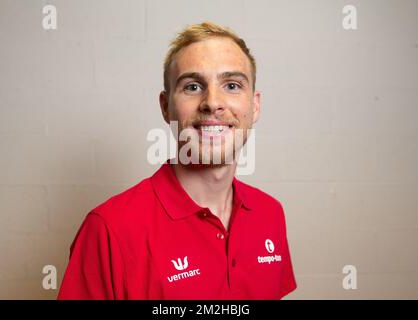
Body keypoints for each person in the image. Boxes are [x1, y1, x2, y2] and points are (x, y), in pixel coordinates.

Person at [57, 21, 296, 300]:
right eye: (193, 86)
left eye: (232, 85)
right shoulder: (108, 229)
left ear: (254, 106)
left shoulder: (270, 214)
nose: (212, 103)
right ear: (165, 106)